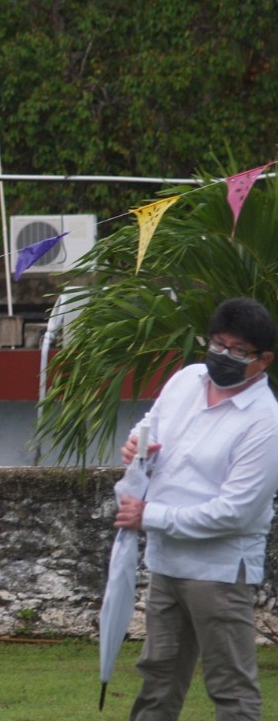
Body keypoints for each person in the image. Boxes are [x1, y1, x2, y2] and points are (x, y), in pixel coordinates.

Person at [115, 297, 278, 721]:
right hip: (167, 561)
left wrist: (148, 516)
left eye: (237, 351)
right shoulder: (188, 379)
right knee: (157, 677)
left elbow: (235, 512)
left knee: (230, 687)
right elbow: (150, 425)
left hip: (219, 572)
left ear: (262, 361)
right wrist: (137, 444)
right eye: (218, 343)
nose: (222, 356)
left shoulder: (266, 420)